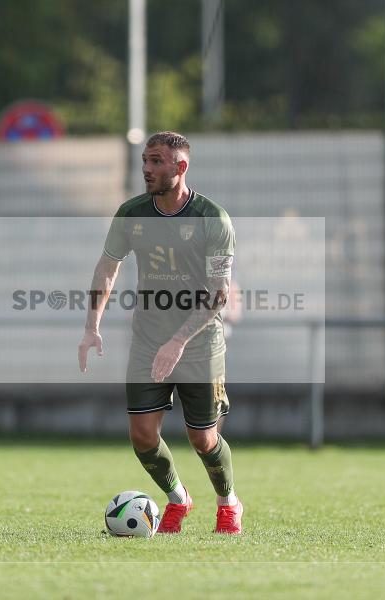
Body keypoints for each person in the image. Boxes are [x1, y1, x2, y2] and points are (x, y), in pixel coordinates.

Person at [78, 132, 243, 534]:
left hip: (200, 343)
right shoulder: (131, 213)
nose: (146, 169)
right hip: (148, 341)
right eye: (144, 161)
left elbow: (218, 293)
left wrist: (178, 341)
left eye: (156, 161)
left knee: (202, 439)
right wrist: (91, 325)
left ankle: (228, 503)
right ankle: (178, 498)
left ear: (180, 167)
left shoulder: (212, 218)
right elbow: (107, 268)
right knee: (142, 435)